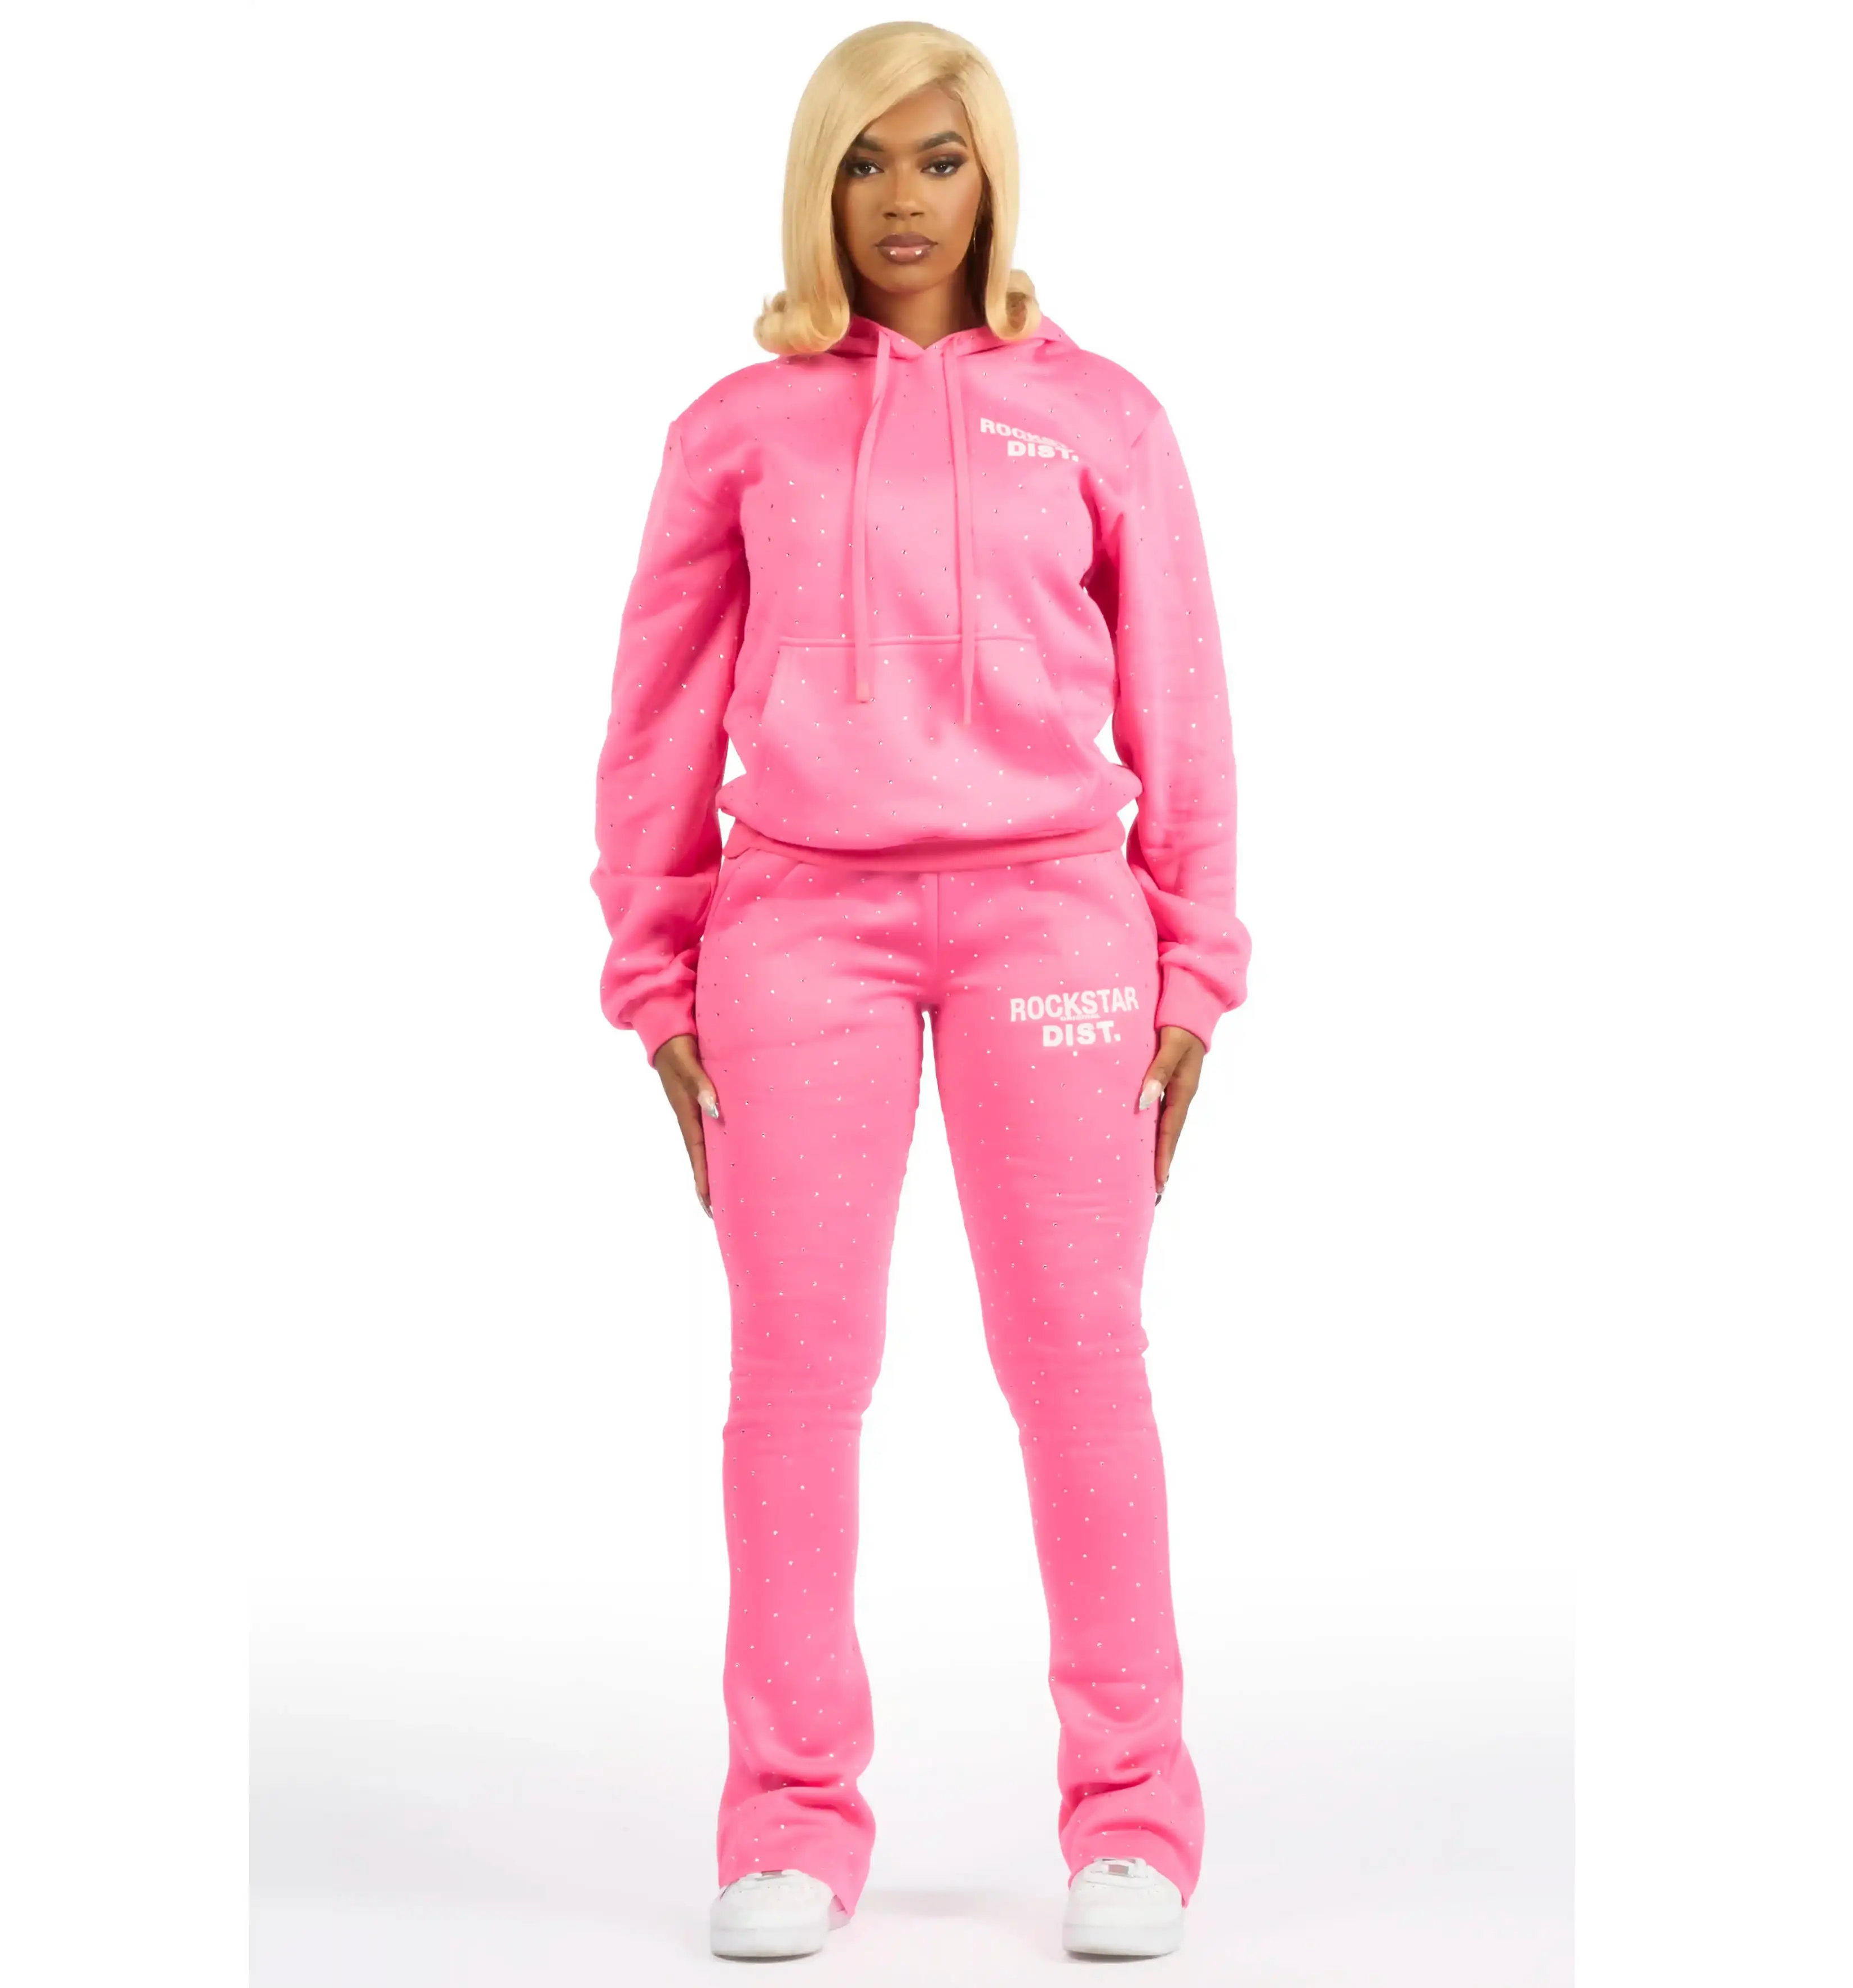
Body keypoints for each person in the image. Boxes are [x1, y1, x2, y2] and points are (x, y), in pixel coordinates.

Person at [590, 22, 1251, 1963]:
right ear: (819, 182)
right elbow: (656, 715)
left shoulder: (1105, 417)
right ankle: (790, 1821)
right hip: (798, 930)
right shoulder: (737, 429)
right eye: (866, 161)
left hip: (1059, 927)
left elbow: (1184, 698)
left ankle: (1132, 1819)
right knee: (794, 1383)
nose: (902, 201)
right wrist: (656, 976)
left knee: (1080, 1367)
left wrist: (1197, 964)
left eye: (939, 160)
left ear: (993, 180)